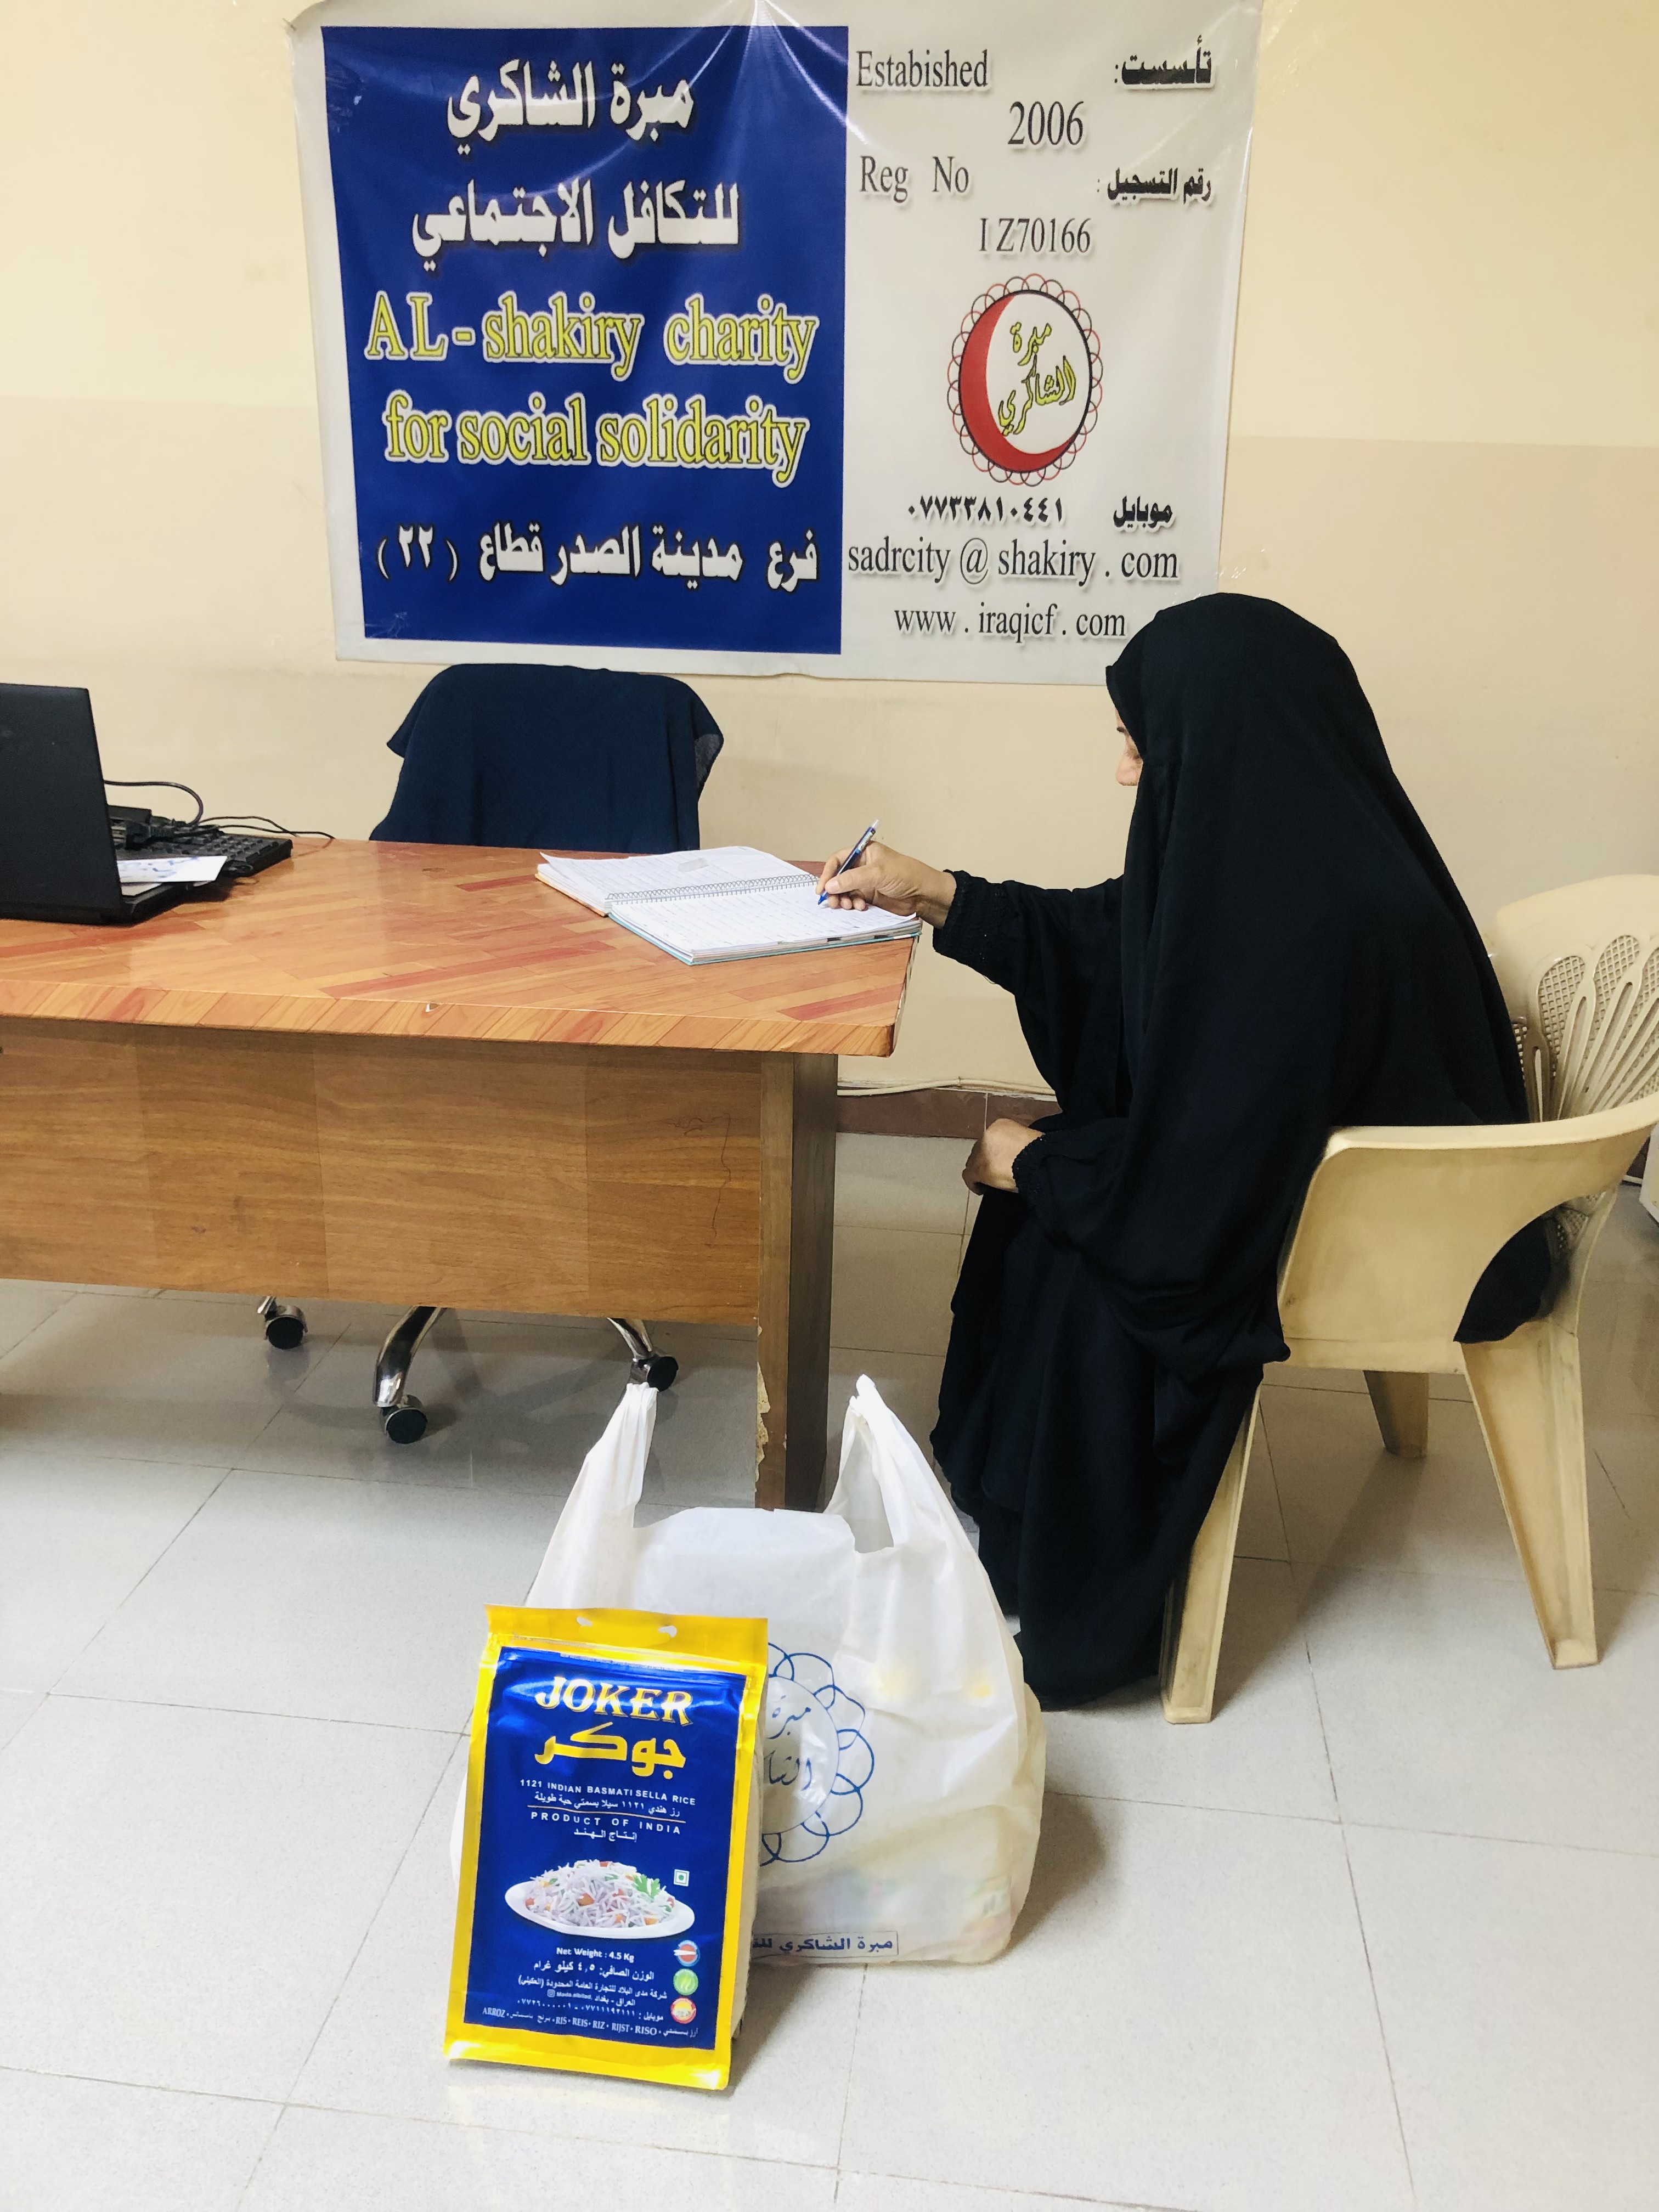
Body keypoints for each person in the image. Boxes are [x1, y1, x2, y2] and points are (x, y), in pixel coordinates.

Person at [817, 593, 1550, 1708]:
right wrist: (938, 897)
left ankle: (1070, 1582)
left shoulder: (1316, 922)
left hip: (1412, 1235)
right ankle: (1013, 1525)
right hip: (1335, 1181)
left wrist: (1034, 1165)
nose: (1126, 772)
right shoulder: (1291, 849)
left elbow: (1197, 1203)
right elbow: (1112, 942)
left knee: (1080, 1246)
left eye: (1139, 742)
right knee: (1056, 1184)